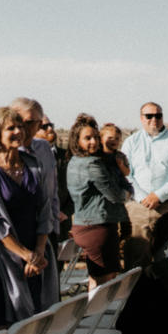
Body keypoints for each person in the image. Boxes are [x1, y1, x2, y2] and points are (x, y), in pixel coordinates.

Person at [0, 107, 59, 327]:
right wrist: (24, 254)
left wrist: (39, 252)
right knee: (6, 325)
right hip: (1, 253)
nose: (18, 132)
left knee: (38, 321)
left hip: (37, 251)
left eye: (20, 126)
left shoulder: (33, 164)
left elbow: (45, 208)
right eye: (10, 128)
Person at [66, 114, 133, 289]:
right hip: (96, 227)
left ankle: (93, 315)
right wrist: (127, 193)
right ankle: (94, 315)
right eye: (87, 138)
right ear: (76, 140)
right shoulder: (92, 164)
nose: (94, 142)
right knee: (105, 281)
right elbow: (116, 195)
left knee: (98, 279)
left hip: (88, 224)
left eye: (95, 137)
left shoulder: (75, 160)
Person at [120, 102, 168, 267]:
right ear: (141, 118)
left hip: (167, 208)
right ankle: (139, 293)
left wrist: (159, 195)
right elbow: (126, 174)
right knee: (137, 259)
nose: (154, 119)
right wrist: (144, 197)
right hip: (138, 208)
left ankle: (165, 293)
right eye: (149, 116)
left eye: (158, 115)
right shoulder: (131, 142)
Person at [11, 97, 60, 267]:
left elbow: (52, 191)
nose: (24, 128)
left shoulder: (44, 149)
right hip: (16, 236)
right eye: (21, 122)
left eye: (32, 122)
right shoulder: (3, 154)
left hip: (46, 232)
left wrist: (53, 228)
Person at [35, 114, 73, 242]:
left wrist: (65, 213)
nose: (50, 129)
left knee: (58, 261)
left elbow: (75, 189)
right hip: (36, 225)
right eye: (44, 126)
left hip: (61, 223)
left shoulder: (67, 157)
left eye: (51, 125)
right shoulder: (28, 158)